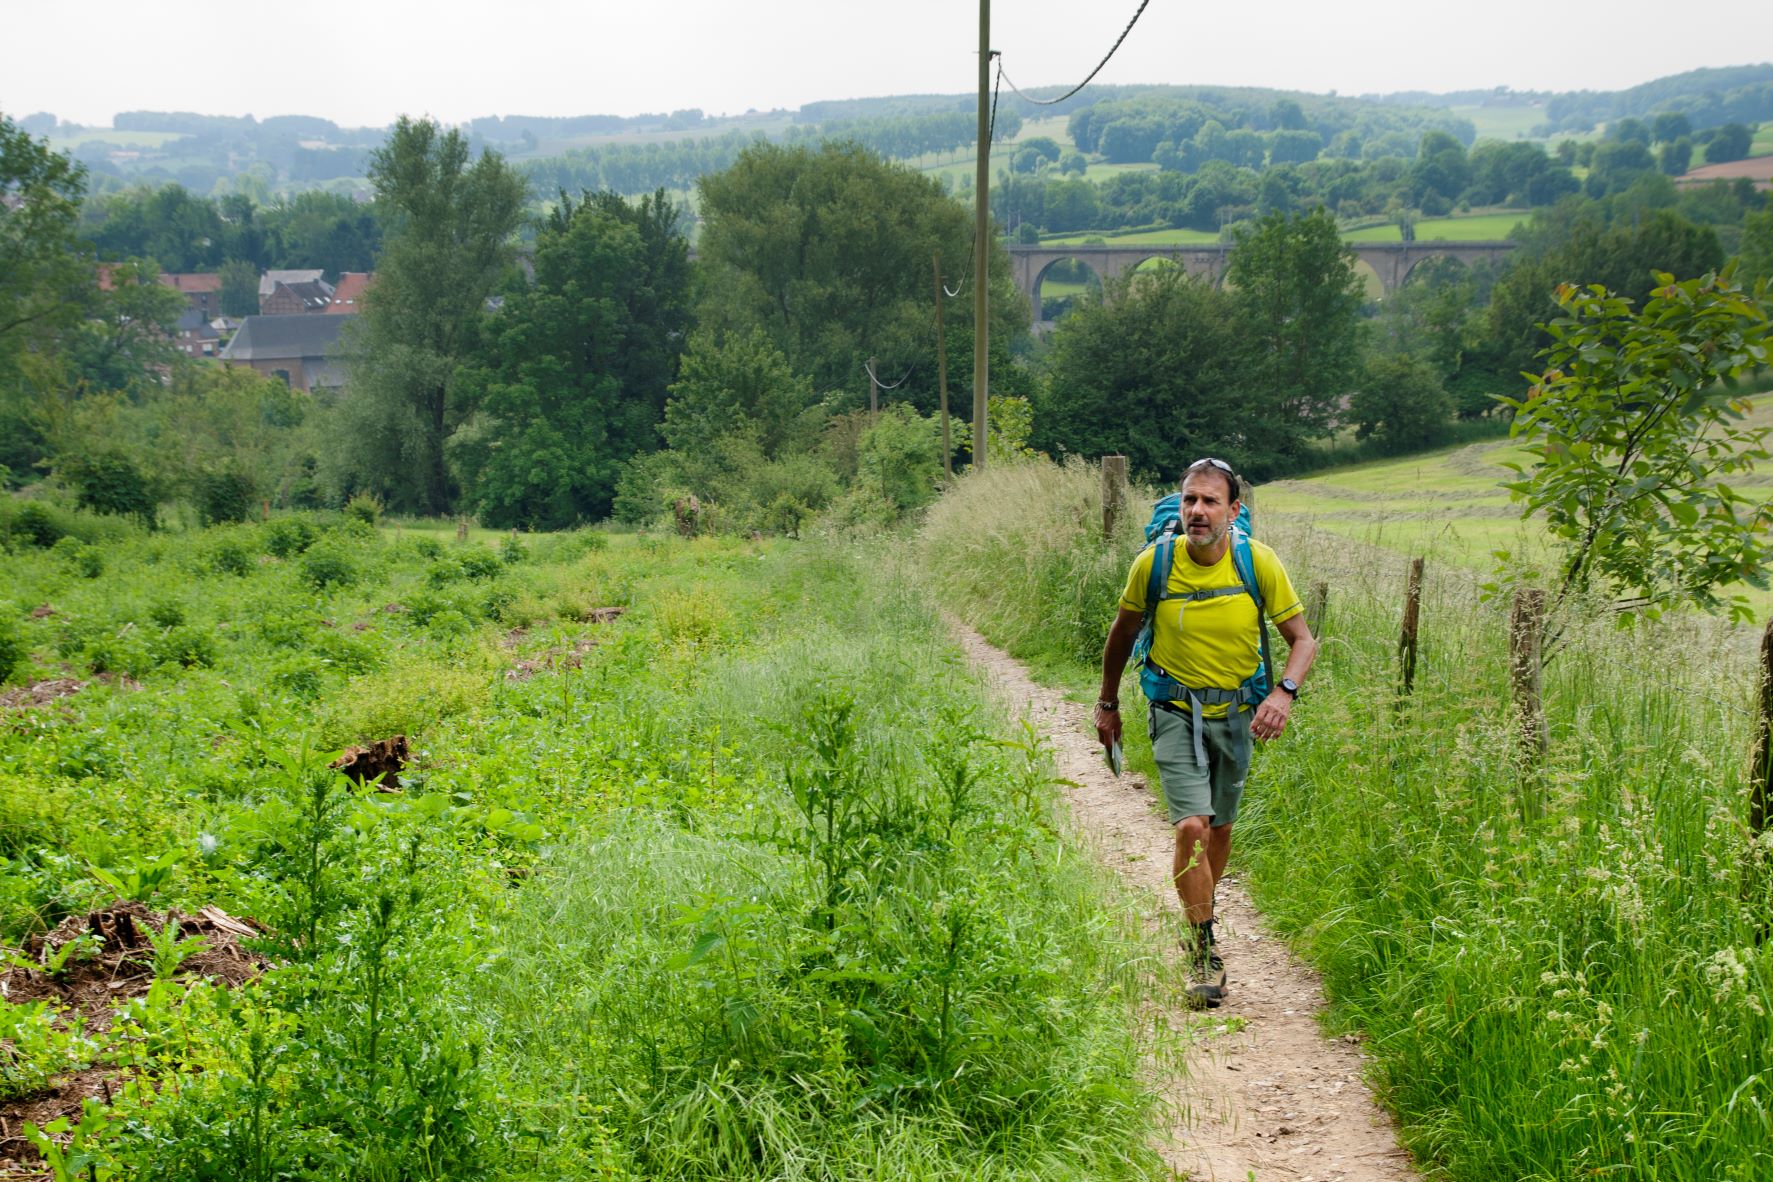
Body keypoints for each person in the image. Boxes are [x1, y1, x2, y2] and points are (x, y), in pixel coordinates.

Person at [1093, 457, 1317, 1008]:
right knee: (1192, 826)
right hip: (1173, 708)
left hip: (1238, 714)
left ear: (1233, 510)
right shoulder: (1155, 564)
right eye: (1190, 499)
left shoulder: (1256, 563)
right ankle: (1202, 949)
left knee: (1219, 830)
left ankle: (1202, 917)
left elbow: (1303, 641)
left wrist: (1281, 693)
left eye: (1210, 501)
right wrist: (1107, 704)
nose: (1197, 511)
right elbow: (1122, 633)